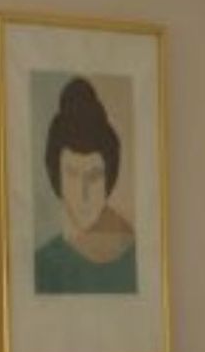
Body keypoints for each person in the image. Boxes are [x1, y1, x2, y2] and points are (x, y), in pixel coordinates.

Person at [34, 75, 138, 295]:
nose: (84, 194)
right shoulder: (41, 264)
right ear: (57, 177)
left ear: (109, 179)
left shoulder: (136, 257)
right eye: (72, 175)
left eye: (94, 177)